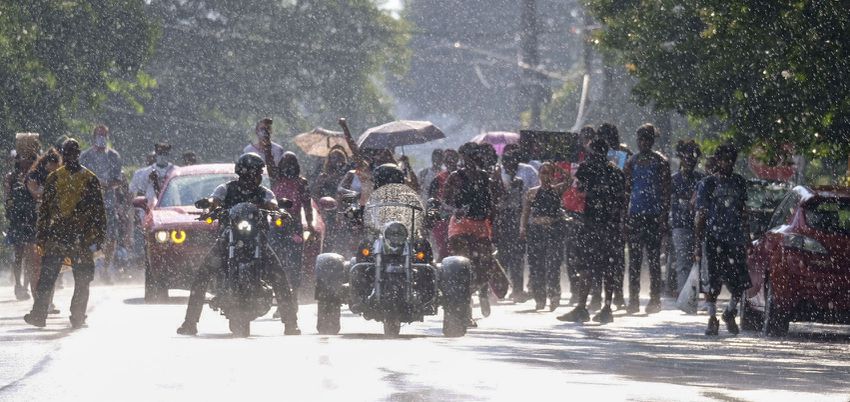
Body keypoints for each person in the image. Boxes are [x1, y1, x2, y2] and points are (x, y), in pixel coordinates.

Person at [176, 153, 300, 336]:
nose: (255, 177)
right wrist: (210, 206)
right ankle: (190, 323)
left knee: (279, 275)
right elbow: (214, 200)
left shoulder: (264, 192)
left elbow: (272, 203)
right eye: (253, 173)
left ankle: (290, 323)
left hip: (257, 240)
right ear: (244, 173)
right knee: (202, 274)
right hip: (229, 239)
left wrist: (279, 211)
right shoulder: (225, 189)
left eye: (258, 173)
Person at [24, 139, 106, 329]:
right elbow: (99, 213)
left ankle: (42, 314)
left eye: (71, 153)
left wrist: (42, 236)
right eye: (68, 153)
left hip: (62, 238)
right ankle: (72, 316)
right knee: (76, 279)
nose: (70, 156)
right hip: (76, 239)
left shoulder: (59, 178)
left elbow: (45, 211)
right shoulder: (88, 178)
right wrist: (99, 237)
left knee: (54, 278)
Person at [557, 138, 626, 323]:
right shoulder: (617, 172)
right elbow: (621, 200)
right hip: (610, 226)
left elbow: (579, 189)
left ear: (593, 152)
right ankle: (607, 308)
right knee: (608, 268)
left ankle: (582, 307)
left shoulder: (587, 168)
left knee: (586, 267)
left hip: (591, 224)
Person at [694, 144, 750, 336]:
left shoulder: (739, 183)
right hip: (713, 238)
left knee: (739, 281)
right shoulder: (707, 184)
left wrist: (747, 238)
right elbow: (700, 215)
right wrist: (698, 244)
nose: (727, 163)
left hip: (734, 239)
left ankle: (729, 312)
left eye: (730, 160)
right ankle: (712, 317)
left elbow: (743, 213)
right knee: (712, 281)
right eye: (723, 159)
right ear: (717, 161)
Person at [443, 142, 497, 322]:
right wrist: (454, 209)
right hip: (460, 224)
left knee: (486, 263)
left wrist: (493, 222)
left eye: (474, 155)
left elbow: (493, 202)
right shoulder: (454, 177)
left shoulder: (485, 177)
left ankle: (481, 290)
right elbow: (444, 201)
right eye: (467, 156)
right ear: (462, 158)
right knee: (462, 265)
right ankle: (465, 308)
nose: (471, 159)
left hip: (480, 223)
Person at [623, 124, 672, 314]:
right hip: (635, 216)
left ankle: (654, 299)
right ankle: (633, 300)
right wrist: (624, 217)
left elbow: (667, 193)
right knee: (634, 260)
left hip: (653, 217)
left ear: (652, 141)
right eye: (640, 139)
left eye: (646, 139)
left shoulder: (661, 162)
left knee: (653, 260)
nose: (643, 143)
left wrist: (663, 218)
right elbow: (627, 191)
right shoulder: (632, 162)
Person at [520, 162, 570, 311]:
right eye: (542, 173)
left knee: (553, 264)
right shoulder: (532, 192)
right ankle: (539, 298)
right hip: (536, 231)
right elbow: (526, 211)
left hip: (553, 230)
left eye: (548, 173)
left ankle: (554, 295)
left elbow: (569, 180)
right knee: (536, 265)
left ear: (552, 175)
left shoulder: (557, 190)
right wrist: (522, 227)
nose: (545, 176)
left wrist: (558, 168)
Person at [79, 125, 124, 283]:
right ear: (93, 137)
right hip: (89, 205)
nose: (101, 138)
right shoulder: (85, 157)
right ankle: (90, 267)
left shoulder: (113, 156)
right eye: (99, 135)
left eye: (104, 135)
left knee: (111, 238)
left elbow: (119, 179)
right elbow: (78, 179)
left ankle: (105, 267)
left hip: (108, 203)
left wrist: (106, 184)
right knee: (90, 238)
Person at [271, 152, 314, 296]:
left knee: (295, 260)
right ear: (280, 165)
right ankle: (280, 296)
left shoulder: (302, 183)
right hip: (277, 224)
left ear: (296, 165)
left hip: (294, 224)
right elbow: (269, 161)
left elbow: (307, 205)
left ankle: (294, 294)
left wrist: (310, 224)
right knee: (276, 260)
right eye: (284, 162)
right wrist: (267, 143)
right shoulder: (276, 179)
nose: (288, 166)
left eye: (291, 162)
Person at [597, 123, 630, 308]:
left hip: (614, 211)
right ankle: (607, 294)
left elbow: (625, 179)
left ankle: (616, 293)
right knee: (609, 257)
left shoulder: (622, 154)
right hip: (605, 212)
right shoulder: (600, 155)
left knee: (615, 257)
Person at [25, 149, 63, 298]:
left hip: (52, 224)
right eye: (54, 164)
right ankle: (37, 298)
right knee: (36, 264)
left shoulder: (58, 176)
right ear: (48, 163)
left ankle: (48, 300)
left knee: (50, 265)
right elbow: (35, 193)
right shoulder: (34, 175)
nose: (56, 167)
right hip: (33, 222)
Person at [670, 140, 704, 295]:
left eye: (693, 158)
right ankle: (685, 295)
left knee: (699, 262)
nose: (690, 161)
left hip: (701, 227)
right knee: (683, 262)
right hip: (681, 226)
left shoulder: (702, 180)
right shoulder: (674, 180)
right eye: (687, 157)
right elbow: (669, 203)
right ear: (681, 158)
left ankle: (696, 294)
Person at [494, 150, 527, 302]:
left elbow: (522, 202)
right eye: (507, 163)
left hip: (515, 220)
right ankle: (499, 289)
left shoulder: (519, 180)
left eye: (512, 164)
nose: (509, 167)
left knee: (517, 259)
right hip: (503, 221)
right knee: (502, 258)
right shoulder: (498, 177)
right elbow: (498, 198)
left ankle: (518, 290)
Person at [5, 151, 38, 300]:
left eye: (29, 158)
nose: (26, 161)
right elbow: (8, 200)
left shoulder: (35, 175)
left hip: (31, 218)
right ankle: (18, 284)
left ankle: (26, 286)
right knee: (19, 254)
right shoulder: (11, 178)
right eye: (23, 158)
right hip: (17, 220)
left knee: (30, 255)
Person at [427, 149, 459, 260]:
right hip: (442, 220)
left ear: (457, 160)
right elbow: (433, 201)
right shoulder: (438, 179)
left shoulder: (464, 177)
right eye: (448, 159)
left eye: (453, 158)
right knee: (444, 250)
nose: (450, 161)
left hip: (460, 219)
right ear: (444, 161)